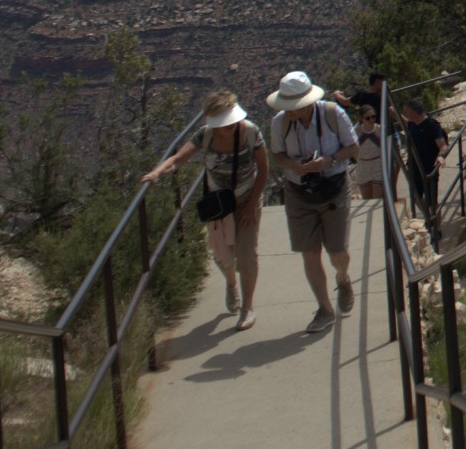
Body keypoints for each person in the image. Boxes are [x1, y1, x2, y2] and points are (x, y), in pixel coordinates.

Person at [142, 89, 268, 331]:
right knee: (222, 255)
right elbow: (179, 159)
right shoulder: (206, 136)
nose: (231, 126)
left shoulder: (250, 132)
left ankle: (247, 308)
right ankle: (231, 284)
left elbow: (263, 168)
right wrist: (156, 173)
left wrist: (251, 205)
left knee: (247, 254)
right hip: (218, 205)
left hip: (246, 200)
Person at [267, 70, 358, 334]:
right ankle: (325, 309)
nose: (290, 112)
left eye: (293, 107)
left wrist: (327, 161)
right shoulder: (280, 123)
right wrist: (296, 166)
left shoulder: (332, 114)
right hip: (298, 192)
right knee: (309, 251)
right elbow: (277, 153)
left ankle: (342, 278)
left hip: (334, 186)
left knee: (338, 251)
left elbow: (352, 147)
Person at [399, 99, 450, 247]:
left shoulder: (432, 125)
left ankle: (437, 228)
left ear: (414, 111)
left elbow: (443, 146)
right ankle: (429, 220)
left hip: (429, 169)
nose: (405, 113)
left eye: (407, 110)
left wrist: (440, 156)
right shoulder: (412, 125)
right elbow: (402, 120)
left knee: (432, 202)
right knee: (416, 197)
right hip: (415, 168)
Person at [351, 104, 390, 201]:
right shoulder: (356, 132)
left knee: (377, 199)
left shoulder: (380, 129)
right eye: (368, 118)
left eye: (373, 117)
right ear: (361, 119)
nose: (371, 120)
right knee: (367, 200)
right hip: (362, 166)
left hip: (377, 164)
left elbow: (386, 148)